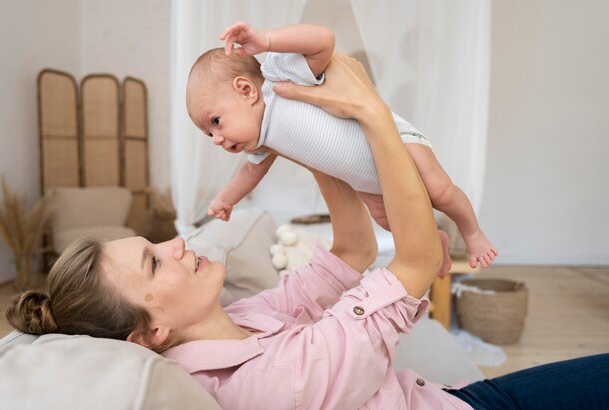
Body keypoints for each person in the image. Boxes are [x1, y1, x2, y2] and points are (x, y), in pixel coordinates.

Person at [8, 56, 608, 410]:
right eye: (154, 263)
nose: (176, 244)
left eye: (156, 242)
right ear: (151, 333)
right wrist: (370, 111)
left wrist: (309, 138)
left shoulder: (242, 321)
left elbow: (354, 253)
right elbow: (420, 258)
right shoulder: (260, 385)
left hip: (450, 399)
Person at [188, 21, 497, 269]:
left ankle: (472, 232)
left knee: (440, 191)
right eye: (207, 134)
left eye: (215, 122)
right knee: (391, 222)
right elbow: (249, 174)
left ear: (245, 90)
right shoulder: (261, 143)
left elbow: (322, 40)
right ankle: (434, 241)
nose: (216, 139)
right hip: (368, 182)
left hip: (397, 141)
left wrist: (267, 40)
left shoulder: (277, 79)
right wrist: (226, 199)